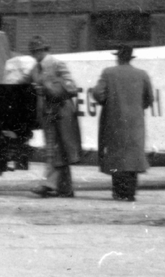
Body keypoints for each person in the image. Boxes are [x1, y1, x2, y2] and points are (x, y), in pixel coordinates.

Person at [92, 45, 155, 202]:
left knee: (116, 156)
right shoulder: (142, 74)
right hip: (135, 122)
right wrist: (138, 107)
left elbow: (97, 93)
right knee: (133, 157)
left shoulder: (108, 73)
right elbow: (149, 98)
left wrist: (107, 102)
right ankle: (130, 192)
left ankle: (118, 192)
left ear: (118, 57)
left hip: (114, 120)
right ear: (130, 58)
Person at [28, 35, 82, 198]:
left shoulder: (57, 64)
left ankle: (48, 184)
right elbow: (25, 81)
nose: (36, 55)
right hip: (47, 114)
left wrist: (50, 87)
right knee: (59, 150)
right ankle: (65, 189)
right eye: (34, 52)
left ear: (44, 50)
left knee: (55, 149)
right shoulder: (35, 69)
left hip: (60, 112)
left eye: (38, 51)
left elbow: (71, 86)